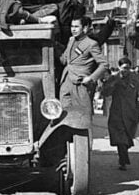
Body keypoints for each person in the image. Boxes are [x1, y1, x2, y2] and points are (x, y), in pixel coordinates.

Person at [46, 16, 108, 168]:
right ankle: (65, 153)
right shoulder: (71, 41)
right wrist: (50, 46)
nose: (73, 29)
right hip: (65, 84)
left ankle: (82, 155)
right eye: (72, 26)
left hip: (80, 87)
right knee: (63, 118)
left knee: (81, 120)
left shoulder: (92, 44)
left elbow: (104, 65)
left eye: (77, 27)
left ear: (86, 28)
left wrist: (91, 78)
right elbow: (64, 60)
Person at [101, 57, 139, 171]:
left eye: (128, 68)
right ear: (119, 67)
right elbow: (105, 92)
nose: (126, 70)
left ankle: (123, 154)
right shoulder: (114, 78)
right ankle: (123, 160)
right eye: (124, 68)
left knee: (128, 138)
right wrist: (112, 83)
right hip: (117, 113)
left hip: (131, 112)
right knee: (120, 139)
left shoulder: (134, 79)